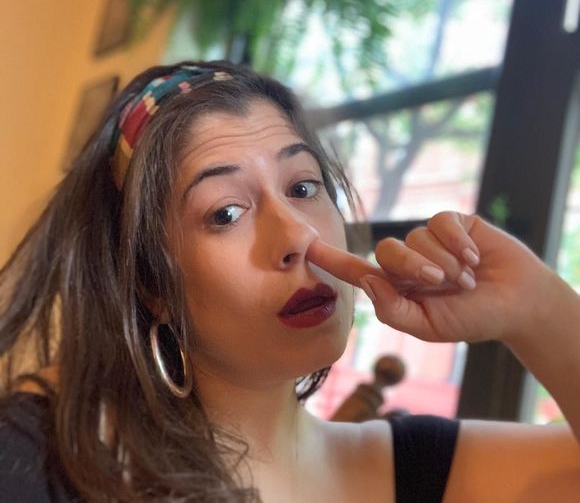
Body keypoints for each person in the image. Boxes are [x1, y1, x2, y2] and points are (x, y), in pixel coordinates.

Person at [0, 60, 578, 503]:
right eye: (226, 213)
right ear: (151, 284)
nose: (298, 235)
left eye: (303, 187)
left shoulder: (420, 471)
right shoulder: (43, 456)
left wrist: (537, 308)